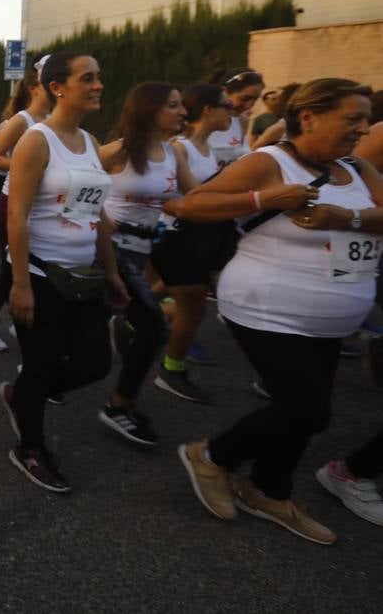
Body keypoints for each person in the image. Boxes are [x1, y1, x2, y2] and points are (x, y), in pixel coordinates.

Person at [174, 78, 379, 545]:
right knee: (308, 411)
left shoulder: (358, 168)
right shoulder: (269, 162)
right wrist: (265, 199)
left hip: (332, 318)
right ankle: (212, 456)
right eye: (353, 118)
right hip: (267, 307)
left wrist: (348, 218)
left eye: (365, 118)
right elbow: (193, 205)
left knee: (304, 409)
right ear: (309, 117)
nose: (364, 128)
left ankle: (269, 489)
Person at [0, 52, 128, 492]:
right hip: (41, 274)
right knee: (41, 363)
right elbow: (16, 215)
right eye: (87, 78)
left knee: (95, 363)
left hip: (83, 274)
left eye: (99, 78)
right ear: (57, 87)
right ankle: (30, 447)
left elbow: (99, 215)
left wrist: (111, 271)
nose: (98, 86)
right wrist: (20, 283)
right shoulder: (37, 141)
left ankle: (23, 395)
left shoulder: (90, 143)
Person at [95, 82, 191, 446]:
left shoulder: (172, 153)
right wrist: (99, 214)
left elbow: (196, 195)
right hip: (111, 249)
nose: (182, 112)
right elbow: (72, 180)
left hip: (143, 249)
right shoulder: (120, 150)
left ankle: (48, 373)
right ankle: (120, 405)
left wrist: (253, 197)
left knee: (88, 320)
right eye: (173, 105)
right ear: (150, 110)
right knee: (155, 328)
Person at [147, 83, 233, 402]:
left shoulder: (209, 150)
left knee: (173, 293)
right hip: (171, 234)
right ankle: (172, 369)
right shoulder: (179, 147)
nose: (233, 112)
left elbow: (200, 194)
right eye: (228, 105)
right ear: (208, 109)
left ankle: (131, 322)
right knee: (194, 305)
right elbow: (165, 196)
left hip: (197, 234)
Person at [0, 62, 53, 351]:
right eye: (53, 83)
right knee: (13, 270)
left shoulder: (60, 122)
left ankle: (22, 321)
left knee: (40, 269)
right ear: (36, 88)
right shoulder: (22, 121)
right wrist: (30, 166)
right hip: (13, 203)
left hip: (45, 208)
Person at [207, 68, 265, 169]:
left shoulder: (242, 121)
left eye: (255, 100)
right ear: (224, 92)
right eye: (244, 99)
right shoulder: (199, 122)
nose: (249, 106)